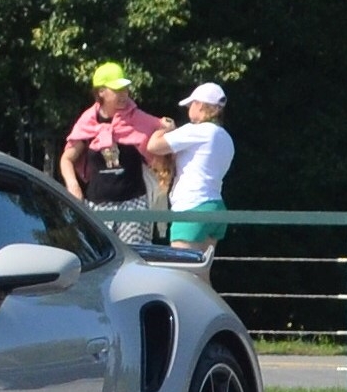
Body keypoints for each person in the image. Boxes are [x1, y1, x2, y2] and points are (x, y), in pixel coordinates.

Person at [59, 62, 163, 244]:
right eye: (117, 89)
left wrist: (167, 127)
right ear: (101, 92)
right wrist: (73, 186)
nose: (124, 94)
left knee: (134, 260)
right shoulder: (87, 121)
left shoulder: (137, 118)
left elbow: (162, 131)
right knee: (103, 261)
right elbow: (67, 159)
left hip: (133, 204)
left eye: (125, 89)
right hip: (98, 206)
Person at [148, 82, 235, 254]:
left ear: (200, 105)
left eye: (191, 104)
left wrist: (163, 129)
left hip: (191, 208)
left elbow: (154, 146)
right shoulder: (225, 137)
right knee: (201, 274)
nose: (188, 109)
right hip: (215, 207)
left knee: (182, 272)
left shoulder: (196, 130)